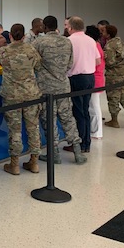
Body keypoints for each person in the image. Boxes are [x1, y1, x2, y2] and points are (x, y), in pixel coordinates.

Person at [32, 16, 86, 165]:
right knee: (68, 118)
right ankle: (78, 152)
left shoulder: (39, 42)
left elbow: (33, 63)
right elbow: (70, 63)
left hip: (46, 88)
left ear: (44, 27)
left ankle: (54, 153)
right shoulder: (66, 41)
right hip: (63, 86)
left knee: (49, 120)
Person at [0, 24, 42, 175]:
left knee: (14, 130)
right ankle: (34, 162)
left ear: (10, 35)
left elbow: (0, 63)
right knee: (33, 128)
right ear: (23, 36)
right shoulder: (31, 50)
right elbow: (37, 66)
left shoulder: (4, 51)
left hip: (12, 96)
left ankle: (14, 165)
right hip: (31, 94)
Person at [67, 17, 100, 153]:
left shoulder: (69, 41)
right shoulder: (91, 40)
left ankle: (79, 144)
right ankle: (87, 143)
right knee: (85, 110)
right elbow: (97, 61)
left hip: (76, 78)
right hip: (90, 78)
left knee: (78, 112)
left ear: (70, 27)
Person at [85, 25, 105, 139]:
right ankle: (95, 130)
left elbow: (96, 62)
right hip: (97, 78)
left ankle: (97, 131)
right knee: (93, 106)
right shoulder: (97, 45)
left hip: (95, 79)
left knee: (94, 106)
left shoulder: (94, 45)